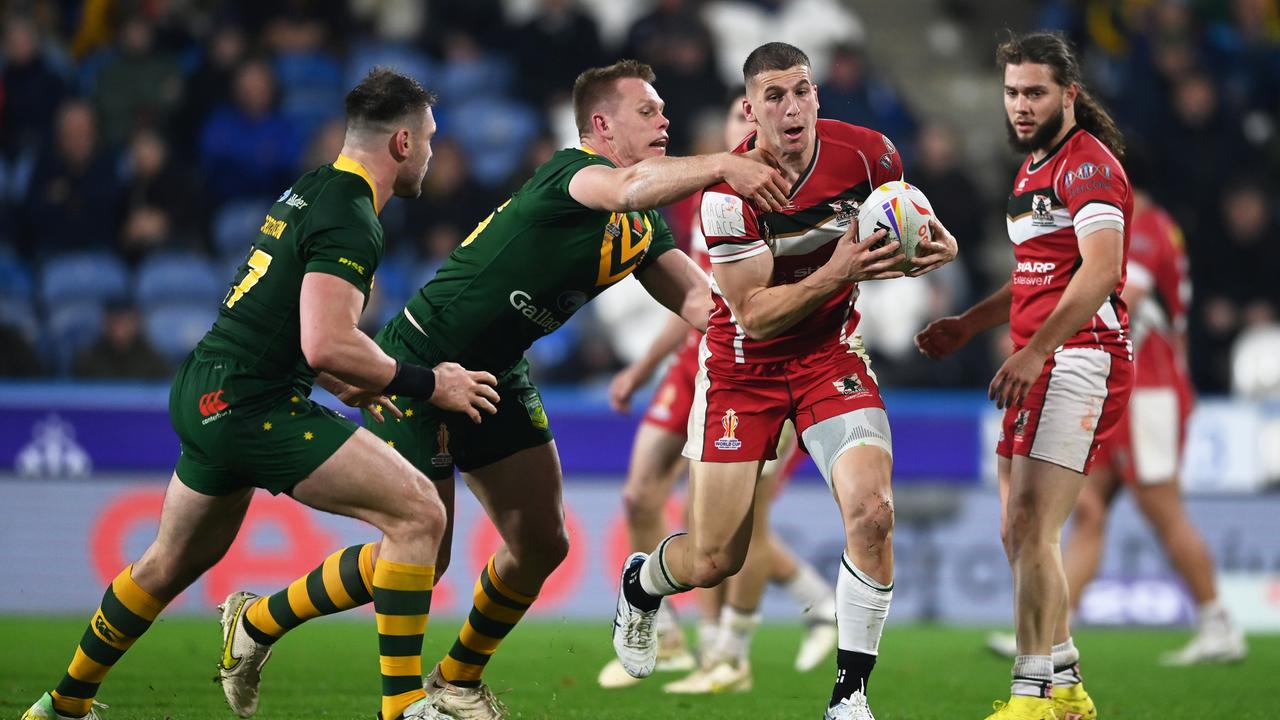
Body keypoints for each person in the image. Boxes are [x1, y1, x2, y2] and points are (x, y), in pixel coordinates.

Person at [216, 59, 791, 720]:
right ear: (601, 126)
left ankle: (456, 679)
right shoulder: (572, 175)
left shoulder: (640, 221)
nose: (664, 120)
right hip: (426, 359)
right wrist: (724, 163)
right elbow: (632, 185)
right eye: (647, 111)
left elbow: (700, 301)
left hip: (496, 374)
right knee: (422, 555)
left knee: (544, 542)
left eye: (662, 111)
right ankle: (270, 627)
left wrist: (790, 317)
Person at [22, 68, 500, 720]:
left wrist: (342, 382)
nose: (434, 153)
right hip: (252, 405)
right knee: (421, 516)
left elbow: (282, 319)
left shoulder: (309, 190)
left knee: (167, 565)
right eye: (431, 139)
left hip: (207, 387)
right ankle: (401, 706)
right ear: (402, 144)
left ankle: (62, 704)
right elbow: (326, 341)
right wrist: (427, 381)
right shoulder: (353, 217)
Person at [610, 42, 958, 720]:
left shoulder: (871, 155)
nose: (790, 106)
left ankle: (850, 696)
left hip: (830, 355)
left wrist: (935, 248)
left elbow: (914, 223)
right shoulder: (724, 196)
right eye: (774, 95)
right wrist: (841, 270)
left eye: (800, 91)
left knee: (873, 513)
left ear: (817, 97)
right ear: (750, 108)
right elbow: (755, 316)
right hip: (744, 370)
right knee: (715, 558)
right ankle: (644, 583)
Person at [915, 31, 1134, 720]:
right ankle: (1066, 683)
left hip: (1081, 355)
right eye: (1011, 92)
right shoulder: (1032, 171)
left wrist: (1037, 349)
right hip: (1043, 358)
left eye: (1034, 92)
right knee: (1018, 531)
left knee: (1034, 524)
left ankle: (1031, 693)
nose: (1020, 104)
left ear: (1069, 94)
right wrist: (969, 326)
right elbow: (1037, 276)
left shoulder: (1087, 167)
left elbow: (1100, 271)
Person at [597, 89, 839, 695]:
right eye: (740, 118)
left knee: (738, 525)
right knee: (642, 498)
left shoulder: (808, 194)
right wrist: (642, 368)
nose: (749, 129)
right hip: (702, 360)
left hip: (774, 363)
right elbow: (693, 297)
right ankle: (684, 634)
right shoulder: (715, 196)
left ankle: (727, 652)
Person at [984, 185, 1247, 666]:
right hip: (1111, 387)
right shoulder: (1128, 225)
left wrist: (1039, 330)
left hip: (1150, 390)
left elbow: (1120, 290)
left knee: (1161, 509)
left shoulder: (1144, 228)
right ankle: (1053, 631)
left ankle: (1218, 624)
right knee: (1086, 512)